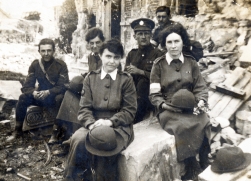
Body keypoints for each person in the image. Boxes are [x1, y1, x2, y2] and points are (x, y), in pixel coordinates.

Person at [63, 39, 137, 181]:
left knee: (106, 144)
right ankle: (72, 177)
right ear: (101, 56)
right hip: (93, 123)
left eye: (116, 57)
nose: (112, 61)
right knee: (78, 139)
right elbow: (84, 108)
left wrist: (110, 122)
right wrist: (91, 124)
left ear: (121, 58)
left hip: (118, 126)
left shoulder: (126, 80)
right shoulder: (91, 78)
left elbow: (130, 111)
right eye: (108, 56)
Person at [149, 24, 210, 180]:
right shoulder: (158, 65)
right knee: (181, 126)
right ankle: (189, 165)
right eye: (169, 42)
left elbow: (200, 87)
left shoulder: (191, 62)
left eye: (177, 41)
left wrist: (201, 101)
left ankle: (205, 161)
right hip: (169, 110)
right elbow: (154, 94)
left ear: (183, 42)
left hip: (191, 107)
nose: (173, 46)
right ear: (164, 44)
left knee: (204, 120)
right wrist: (163, 105)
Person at [49, 28, 106, 144]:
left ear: (103, 42)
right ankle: (67, 133)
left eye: (97, 42)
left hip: (103, 94)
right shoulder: (91, 56)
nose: (94, 46)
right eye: (91, 43)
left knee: (71, 91)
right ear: (88, 44)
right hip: (91, 90)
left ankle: (63, 132)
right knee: (68, 93)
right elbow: (91, 72)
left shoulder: (107, 57)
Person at [7, 38, 69, 142]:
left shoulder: (61, 65)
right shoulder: (35, 65)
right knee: (23, 97)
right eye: (43, 51)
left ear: (54, 51)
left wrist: (48, 92)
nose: (46, 53)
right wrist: (33, 92)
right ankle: (17, 131)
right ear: (39, 51)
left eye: (49, 50)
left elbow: (62, 86)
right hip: (40, 97)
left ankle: (55, 132)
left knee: (60, 98)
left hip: (53, 98)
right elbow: (26, 86)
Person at [125, 18, 163, 124]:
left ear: (151, 35)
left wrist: (140, 72)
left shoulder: (158, 54)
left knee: (143, 83)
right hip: (132, 93)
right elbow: (125, 75)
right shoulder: (132, 54)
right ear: (134, 36)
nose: (143, 37)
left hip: (149, 95)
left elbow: (161, 77)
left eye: (146, 33)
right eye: (140, 34)